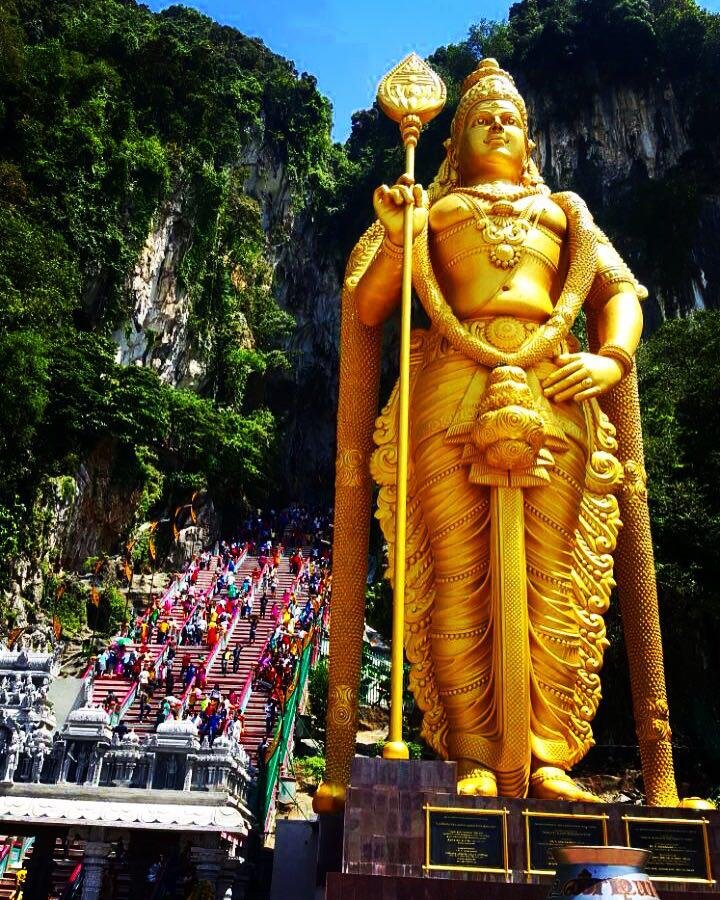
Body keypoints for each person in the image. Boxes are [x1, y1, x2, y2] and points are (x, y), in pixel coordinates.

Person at [322, 58, 654, 806]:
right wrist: (401, 235)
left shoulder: (565, 213)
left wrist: (611, 357)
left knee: (554, 577)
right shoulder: (432, 214)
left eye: (511, 117)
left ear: (530, 140)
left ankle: (548, 759)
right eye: (482, 118)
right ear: (455, 143)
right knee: (458, 572)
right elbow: (370, 305)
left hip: (554, 388)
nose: (498, 124)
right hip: (451, 387)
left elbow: (620, 292)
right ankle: (473, 752)